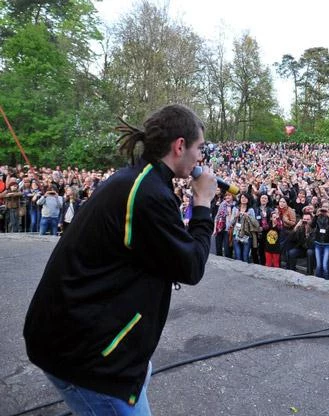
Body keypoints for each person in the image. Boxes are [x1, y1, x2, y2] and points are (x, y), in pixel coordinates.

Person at [23, 104, 218, 415]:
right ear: (180, 146)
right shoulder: (147, 193)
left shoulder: (140, 180)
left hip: (76, 338)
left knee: (144, 372)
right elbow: (191, 265)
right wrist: (203, 204)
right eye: (199, 149)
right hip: (87, 357)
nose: (200, 159)